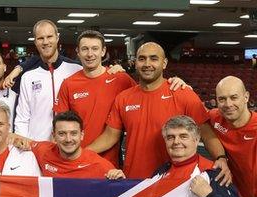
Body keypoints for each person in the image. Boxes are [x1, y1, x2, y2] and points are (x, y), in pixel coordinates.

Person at [88, 42, 230, 180]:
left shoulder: (182, 94)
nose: (147, 64)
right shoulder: (123, 98)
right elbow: (109, 137)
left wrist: (221, 158)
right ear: (135, 63)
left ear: (164, 63)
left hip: (173, 181)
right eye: (142, 59)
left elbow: (206, 133)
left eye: (154, 58)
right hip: (133, 180)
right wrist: (81, 154)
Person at [54, 30, 137, 166]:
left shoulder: (121, 79)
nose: (90, 54)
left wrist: (179, 83)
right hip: (76, 162)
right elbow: (60, 126)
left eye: (95, 48)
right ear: (78, 51)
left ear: (103, 51)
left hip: (109, 165)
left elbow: (146, 94)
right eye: (85, 49)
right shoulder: (68, 84)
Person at [14, 19, 82, 140]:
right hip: (37, 148)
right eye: (40, 38)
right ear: (35, 42)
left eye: (49, 36)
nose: (45, 42)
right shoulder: (28, 77)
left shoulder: (76, 70)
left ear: (57, 37)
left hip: (69, 146)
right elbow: (22, 118)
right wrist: (24, 148)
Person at [17, 111, 125, 179]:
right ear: (54, 136)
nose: (68, 139)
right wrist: (17, 142)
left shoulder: (100, 165)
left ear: (82, 135)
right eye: (62, 134)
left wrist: (118, 177)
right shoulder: (44, 150)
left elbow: (121, 194)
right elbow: (15, 138)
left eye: (73, 133)